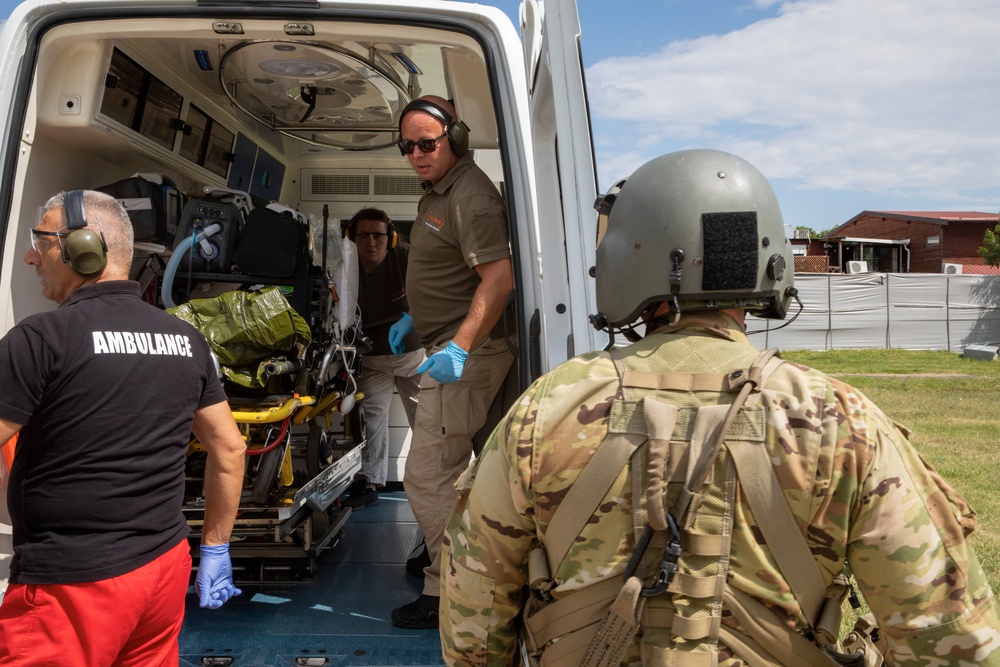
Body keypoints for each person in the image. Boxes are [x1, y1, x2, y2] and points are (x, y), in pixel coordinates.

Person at [440, 150, 1000, 666]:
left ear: (624, 260)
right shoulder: (840, 419)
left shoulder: (545, 408)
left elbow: (473, 618)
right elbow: (952, 640)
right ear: (770, 264)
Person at [0, 190, 247, 666]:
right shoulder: (185, 338)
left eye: (42, 242)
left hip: (71, 585)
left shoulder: (40, 339)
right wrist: (214, 546)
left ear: (83, 248)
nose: (32, 256)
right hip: (161, 571)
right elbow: (230, 449)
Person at [387, 96, 515, 629]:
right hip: (441, 340)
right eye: (407, 146)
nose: (416, 154)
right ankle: (447, 560)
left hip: (468, 351)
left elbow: (498, 278)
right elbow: (450, 274)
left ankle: (447, 592)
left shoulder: (472, 196)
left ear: (455, 140)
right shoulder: (439, 192)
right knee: (445, 474)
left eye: (427, 143)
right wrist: (415, 317)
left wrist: (459, 347)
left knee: (427, 477)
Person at [340, 208, 425, 508]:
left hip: (410, 354)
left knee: (424, 419)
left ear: (389, 238)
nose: (371, 242)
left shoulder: (405, 258)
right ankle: (371, 482)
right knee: (373, 419)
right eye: (364, 235)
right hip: (372, 356)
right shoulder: (344, 265)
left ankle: (432, 479)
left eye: (378, 235)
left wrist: (412, 320)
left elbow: (431, 294)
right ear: (353, 237)